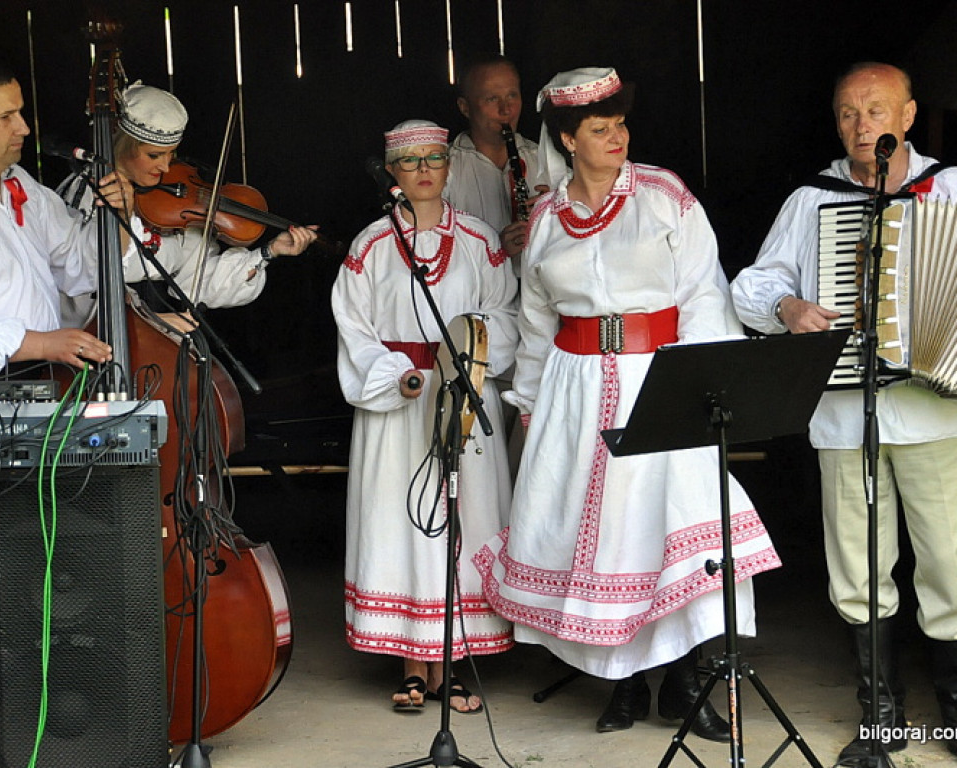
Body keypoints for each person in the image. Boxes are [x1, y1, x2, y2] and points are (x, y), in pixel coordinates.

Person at [473, 67, 781, 738]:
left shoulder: (666, 196)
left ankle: (686, 682)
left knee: (669, 529)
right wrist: (528, 402)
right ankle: (621, 683)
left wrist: (699, 381)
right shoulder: (548, 219)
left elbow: (704, 292)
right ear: (566, 139)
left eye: (620, 125)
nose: (618, 137)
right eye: (599, 128)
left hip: (661, 378)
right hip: (575, 390)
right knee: (600, 540)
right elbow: (535, 323)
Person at [731, 61, 957, 762]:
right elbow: (750, 286)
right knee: (856, 567)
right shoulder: (813, 200)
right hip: (840, 415)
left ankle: (954, 708)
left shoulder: (948, 190)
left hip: (934, 413)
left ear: (909, 116)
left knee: (951, 563)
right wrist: (787, 307)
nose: (863, 127)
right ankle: (879, 718)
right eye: (849, 114)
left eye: (877, 111)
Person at [0, 58, 122, 751]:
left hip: (38, 403)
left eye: (21, 111)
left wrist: (110, 218)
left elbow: (81, 276)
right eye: (5, 116)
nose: (23, 126)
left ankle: (48, 728)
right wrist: (41, 339)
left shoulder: (26, 191)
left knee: (43, 572)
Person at [331, 120, 518, 713]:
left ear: (449, 165)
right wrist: (395, 376)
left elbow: (506, 313)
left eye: (434, 159)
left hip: (464, 394)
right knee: (403, 522)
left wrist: (467, 358)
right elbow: (354, 328)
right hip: (398, 406)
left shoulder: (481, 241)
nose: (423, 171)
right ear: (392, 173)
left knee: (464, 520)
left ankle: (454, 663)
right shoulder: (369, 247)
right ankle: (413, 663)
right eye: (409, 162)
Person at [58, 83, 316, 328]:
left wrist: (269, 251)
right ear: (121, 145)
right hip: (103, 345)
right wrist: (149, 320)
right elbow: (78, 287)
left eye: (172, 153)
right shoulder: (87, 193)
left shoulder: (176, 202)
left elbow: (199, 279)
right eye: (154, 155)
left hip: (161, 334)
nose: (166, 167)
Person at [443, 54, 548, 273]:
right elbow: (427, 252)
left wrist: (556, 214)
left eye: (512, 95)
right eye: (492, 98)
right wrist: (494, 252)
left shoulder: (545, 161)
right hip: (477, 300)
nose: (506, 109)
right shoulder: (442, 169)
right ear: (464, 107)